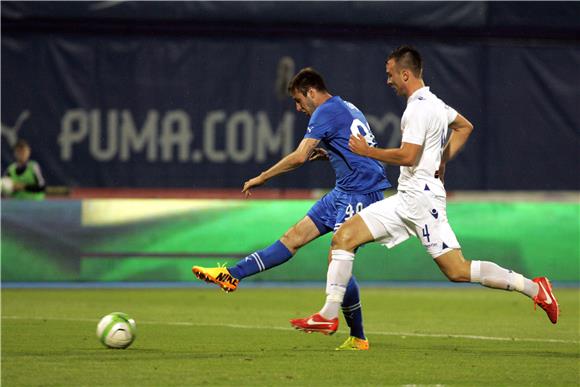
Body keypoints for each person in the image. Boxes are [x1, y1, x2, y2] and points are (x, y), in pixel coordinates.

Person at [290, 46, 559, 336]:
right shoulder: (436, 103)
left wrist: (369, 151)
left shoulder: (418, 109)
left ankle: (534, 288)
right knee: (344, 237)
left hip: (421, 200)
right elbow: (465, 127)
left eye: (391, 74)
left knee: (456, 270)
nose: (388, 80)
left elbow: (408, 156)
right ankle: (328, 315)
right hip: (408, 197)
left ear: (405, 74)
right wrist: (442, 159)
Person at [193, 67, 392, 350]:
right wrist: (331, 152)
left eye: (299, 101)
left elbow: (299, 157)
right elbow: (356, 146)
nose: (299, 108)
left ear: (311, 92)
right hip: (344, 191)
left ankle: (358, 336)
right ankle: (231, 275)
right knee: (293, 238)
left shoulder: (324, 111)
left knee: (337, 260)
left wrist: (262, 177)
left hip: (360, 193)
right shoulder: (346, 105)